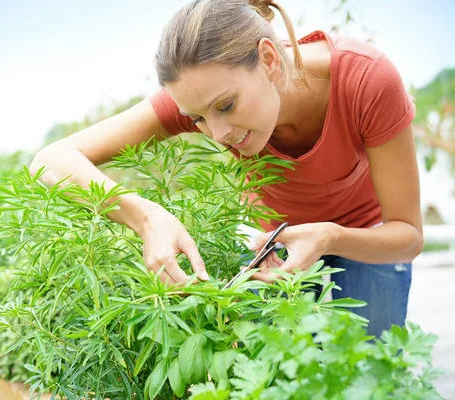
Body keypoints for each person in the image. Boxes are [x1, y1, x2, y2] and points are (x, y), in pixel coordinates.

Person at [29, 0, 422, 337]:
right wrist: (146, 217)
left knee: (371, 379)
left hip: (367, 239)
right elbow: (49, 161)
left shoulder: (366, 80)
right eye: (196, 118)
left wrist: (331, 236)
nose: (217, 133)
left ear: (269, 60)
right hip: (272, 250)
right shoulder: (204, 92)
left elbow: (407, 235)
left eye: (226, 107)